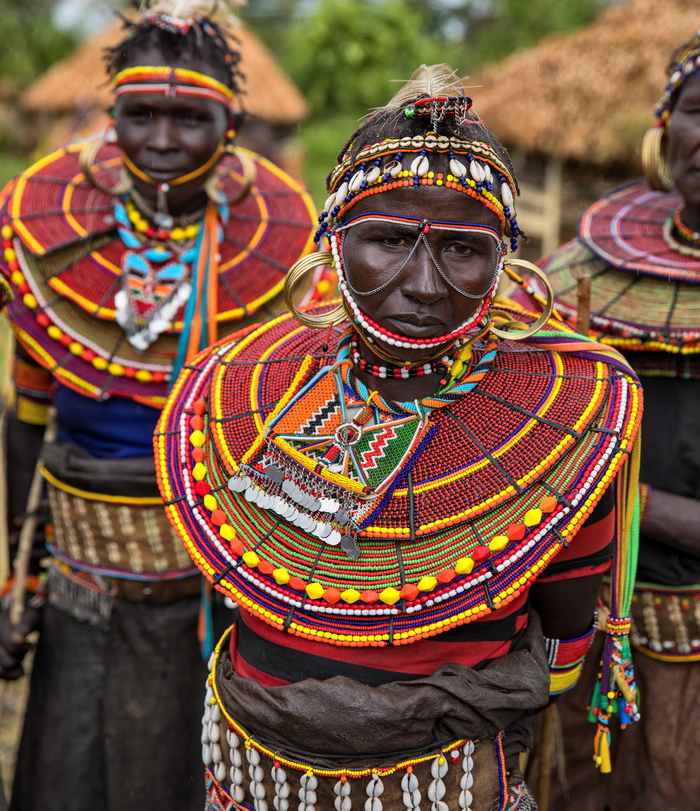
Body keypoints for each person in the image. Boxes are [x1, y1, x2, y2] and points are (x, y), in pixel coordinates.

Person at [154, 66, 643, 811]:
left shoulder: (568, 413)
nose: (422, 283)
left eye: (461, 249)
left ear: (503, 258)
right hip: (254, 764)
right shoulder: (241, 387)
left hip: (451, 774)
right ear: (334, 242)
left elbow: (566, 642)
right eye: (387, 239)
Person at [0, 0, 316, 811]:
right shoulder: (48, 237)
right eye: (141, 116)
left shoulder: (284, 249)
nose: (165, 141)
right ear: (110, 119)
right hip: (81, 571)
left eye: (190, 119)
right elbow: (29, 415)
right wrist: (17, 579)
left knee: (188, 763)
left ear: (235, 123)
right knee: (67, 767)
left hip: (211, 579)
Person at [508, 32, 700, 810]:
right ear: (665, 127)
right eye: (698, 110)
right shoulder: (584, 272)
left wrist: (628, 497)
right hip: (584, 613)